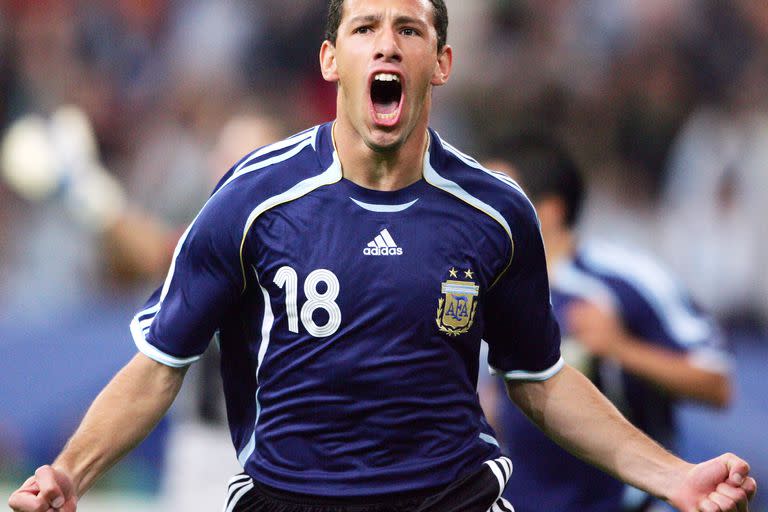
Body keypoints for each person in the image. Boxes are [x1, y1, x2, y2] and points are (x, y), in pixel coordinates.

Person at [8, 1, 757, 511]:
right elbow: (158, 362)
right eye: (366, 26)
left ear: (442, 61)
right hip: (292, 497)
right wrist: (70, 472)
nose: (388, 42)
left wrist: (679, 478)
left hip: (450, 495)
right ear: (333, 59)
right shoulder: (254, 199)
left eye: (409, 27)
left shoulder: (495, 214)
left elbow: (542, 381)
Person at [480, 136, 735, 512]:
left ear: (548, 211)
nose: (478, 212)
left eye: (494, 199)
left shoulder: (626, 279)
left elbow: (716, 382)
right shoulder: (481, 286)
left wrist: (621, 348)